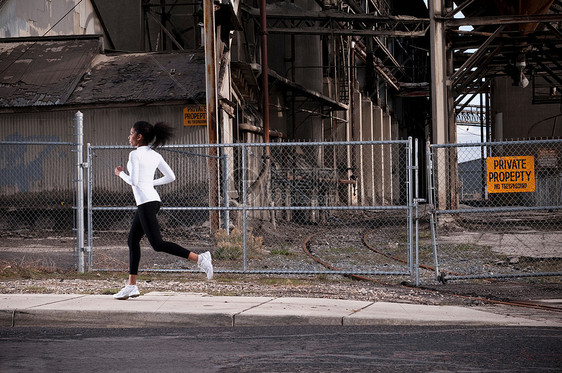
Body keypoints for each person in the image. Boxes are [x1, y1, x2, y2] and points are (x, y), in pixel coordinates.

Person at [113, 121, 213, 300]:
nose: (129, 137)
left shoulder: (134, 155)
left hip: (145, 202)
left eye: (131, 133)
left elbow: (134, 182)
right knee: (132, 240)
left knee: (157, 244)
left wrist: (121, 174)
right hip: (152, 201)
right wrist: (150, 183)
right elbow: (171, 177)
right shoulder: (155, 155)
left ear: (139, 136)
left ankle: (200, 259)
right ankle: (132, 286)